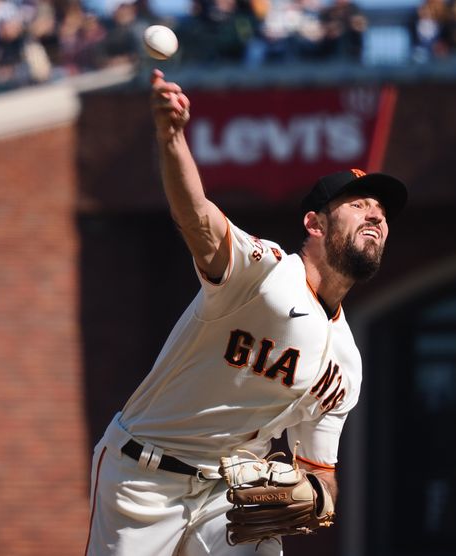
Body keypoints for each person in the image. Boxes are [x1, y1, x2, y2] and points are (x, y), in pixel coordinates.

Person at [84, 68, 407, 556]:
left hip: (224, 498)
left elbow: (320, 474)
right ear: (314, 224)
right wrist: (171, 137)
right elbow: (197, 218)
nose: (375, 215)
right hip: (141, 478)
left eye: (381, 212)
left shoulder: (347, 362)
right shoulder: (267, 273)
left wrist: (316, 498)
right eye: (359, 204)